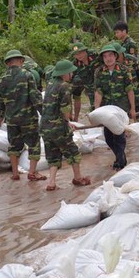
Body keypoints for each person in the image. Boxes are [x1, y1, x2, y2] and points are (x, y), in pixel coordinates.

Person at [40, 60, 91, 191]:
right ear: (65, 73)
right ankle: (78, 178)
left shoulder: (50, 84)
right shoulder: (65, 86)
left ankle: (51, 182)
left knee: (52, 154)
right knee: (73, 151)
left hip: (45, 127)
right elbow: (65, 108)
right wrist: (68, 122)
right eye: (71, 72)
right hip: (58, 127)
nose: (72, 74)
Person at [0, 50, 45, 181]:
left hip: (12, 119)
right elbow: (35, 97)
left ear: (8, 63)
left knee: (14, 145)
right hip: (28, 118)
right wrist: (43, 112)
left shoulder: (2, 79)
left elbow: (0, 100)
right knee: (33, 144)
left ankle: (15, 173)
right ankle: (32, 172)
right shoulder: (27, 75)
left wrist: (1, 116)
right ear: (21, 61)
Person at [94, 44, 136, 170]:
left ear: (115, 56)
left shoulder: (124, 70)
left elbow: (130, 90)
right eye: (105, 56)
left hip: (121, 108)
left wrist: (133, 108)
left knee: (119, 135)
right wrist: (96, 110)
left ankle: (120, 161)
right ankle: (120, 156)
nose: (108, 59)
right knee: (108, 138)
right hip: (107, 109)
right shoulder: (99, 72)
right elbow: (98, 92)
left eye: (110, 55)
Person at [112, 42, 139, 145]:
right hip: (123, 94)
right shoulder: (112, 64)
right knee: (123, 115)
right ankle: (125, 137)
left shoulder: (132, 60)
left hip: (137, 92)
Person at [70, 42, 99, 121]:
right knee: (95, 109)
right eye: (76, 54)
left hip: (103, 85)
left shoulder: (96, 55)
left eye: (81, 53)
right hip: (90, 89)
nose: (79, 56)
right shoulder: (75, 64)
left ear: (85, 51)